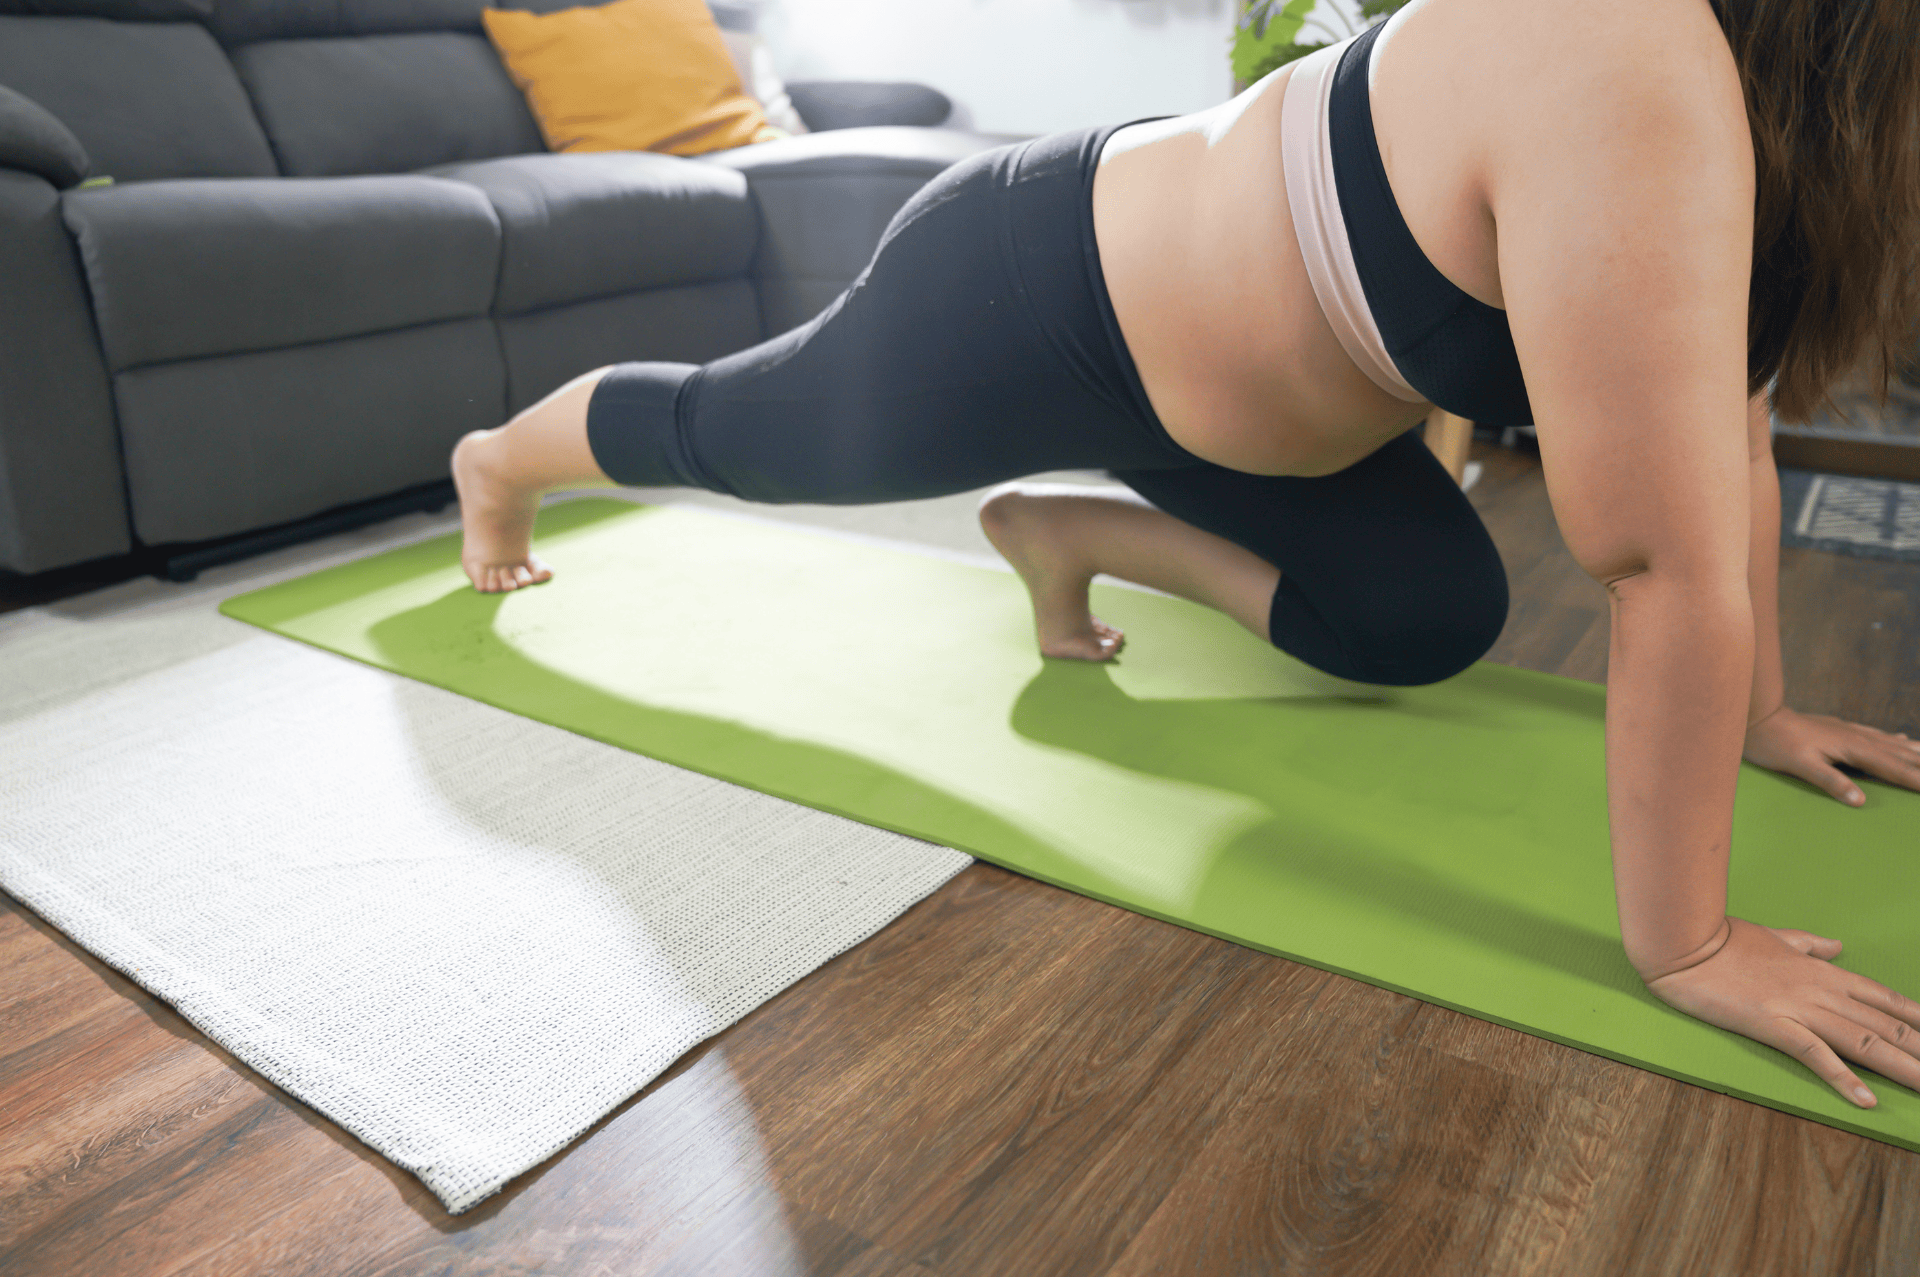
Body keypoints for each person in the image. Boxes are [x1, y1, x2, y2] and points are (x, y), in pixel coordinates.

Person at [453, 0, 1920, 1106]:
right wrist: (1688, 946)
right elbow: (1656, 563)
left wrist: (1767, 714)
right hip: (1037, 295)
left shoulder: (1754, 112)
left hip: (1236, 425)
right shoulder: (1621, 46)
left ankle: (1069, 532)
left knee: (1419, 616)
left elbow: (1730, 425)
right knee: (746, 436)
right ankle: (501, 459)